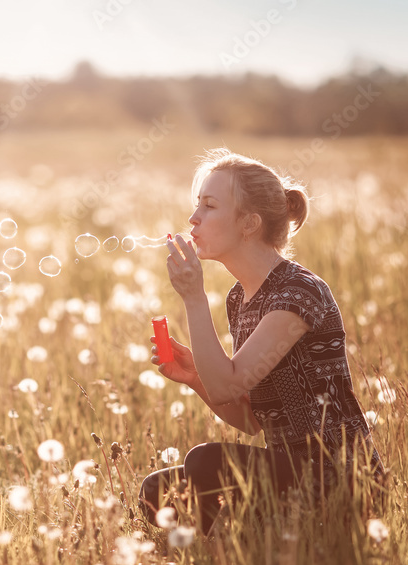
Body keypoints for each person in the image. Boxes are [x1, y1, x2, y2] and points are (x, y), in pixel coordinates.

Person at [139, 149, 383, 534]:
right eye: (196, 204)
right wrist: (194, 379)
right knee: (156, 490)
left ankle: (236, 542)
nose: (193, 218)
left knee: (204, 463)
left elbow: (227, 384)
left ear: (249, 223)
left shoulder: (299, 292)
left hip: (340, 476)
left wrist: (193, 297)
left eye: (210, 205)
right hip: (289, 471)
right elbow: (251, 420)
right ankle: (243, 538)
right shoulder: (240, 299)